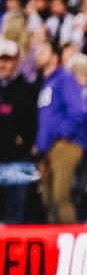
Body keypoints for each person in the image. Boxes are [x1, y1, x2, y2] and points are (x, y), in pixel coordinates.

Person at [34, 39, 87, 224]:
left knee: (61, 199)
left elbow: (79, 111)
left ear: (54, 55)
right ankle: (55, 249)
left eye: (42, 49)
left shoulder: (65, 78)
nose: (37, 53)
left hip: (65, 145)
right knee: (49, 202)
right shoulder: (48, 82)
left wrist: (62, 135)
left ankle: (71, 244)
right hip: (48, 149)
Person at [0, 38, 38, 223]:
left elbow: (31, 124)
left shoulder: (27, 90)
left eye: (6, 59)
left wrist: (22, 141)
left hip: (18, 163)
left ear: (16, 61)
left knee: (15, 217)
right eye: (0, 59)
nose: (2, 64)